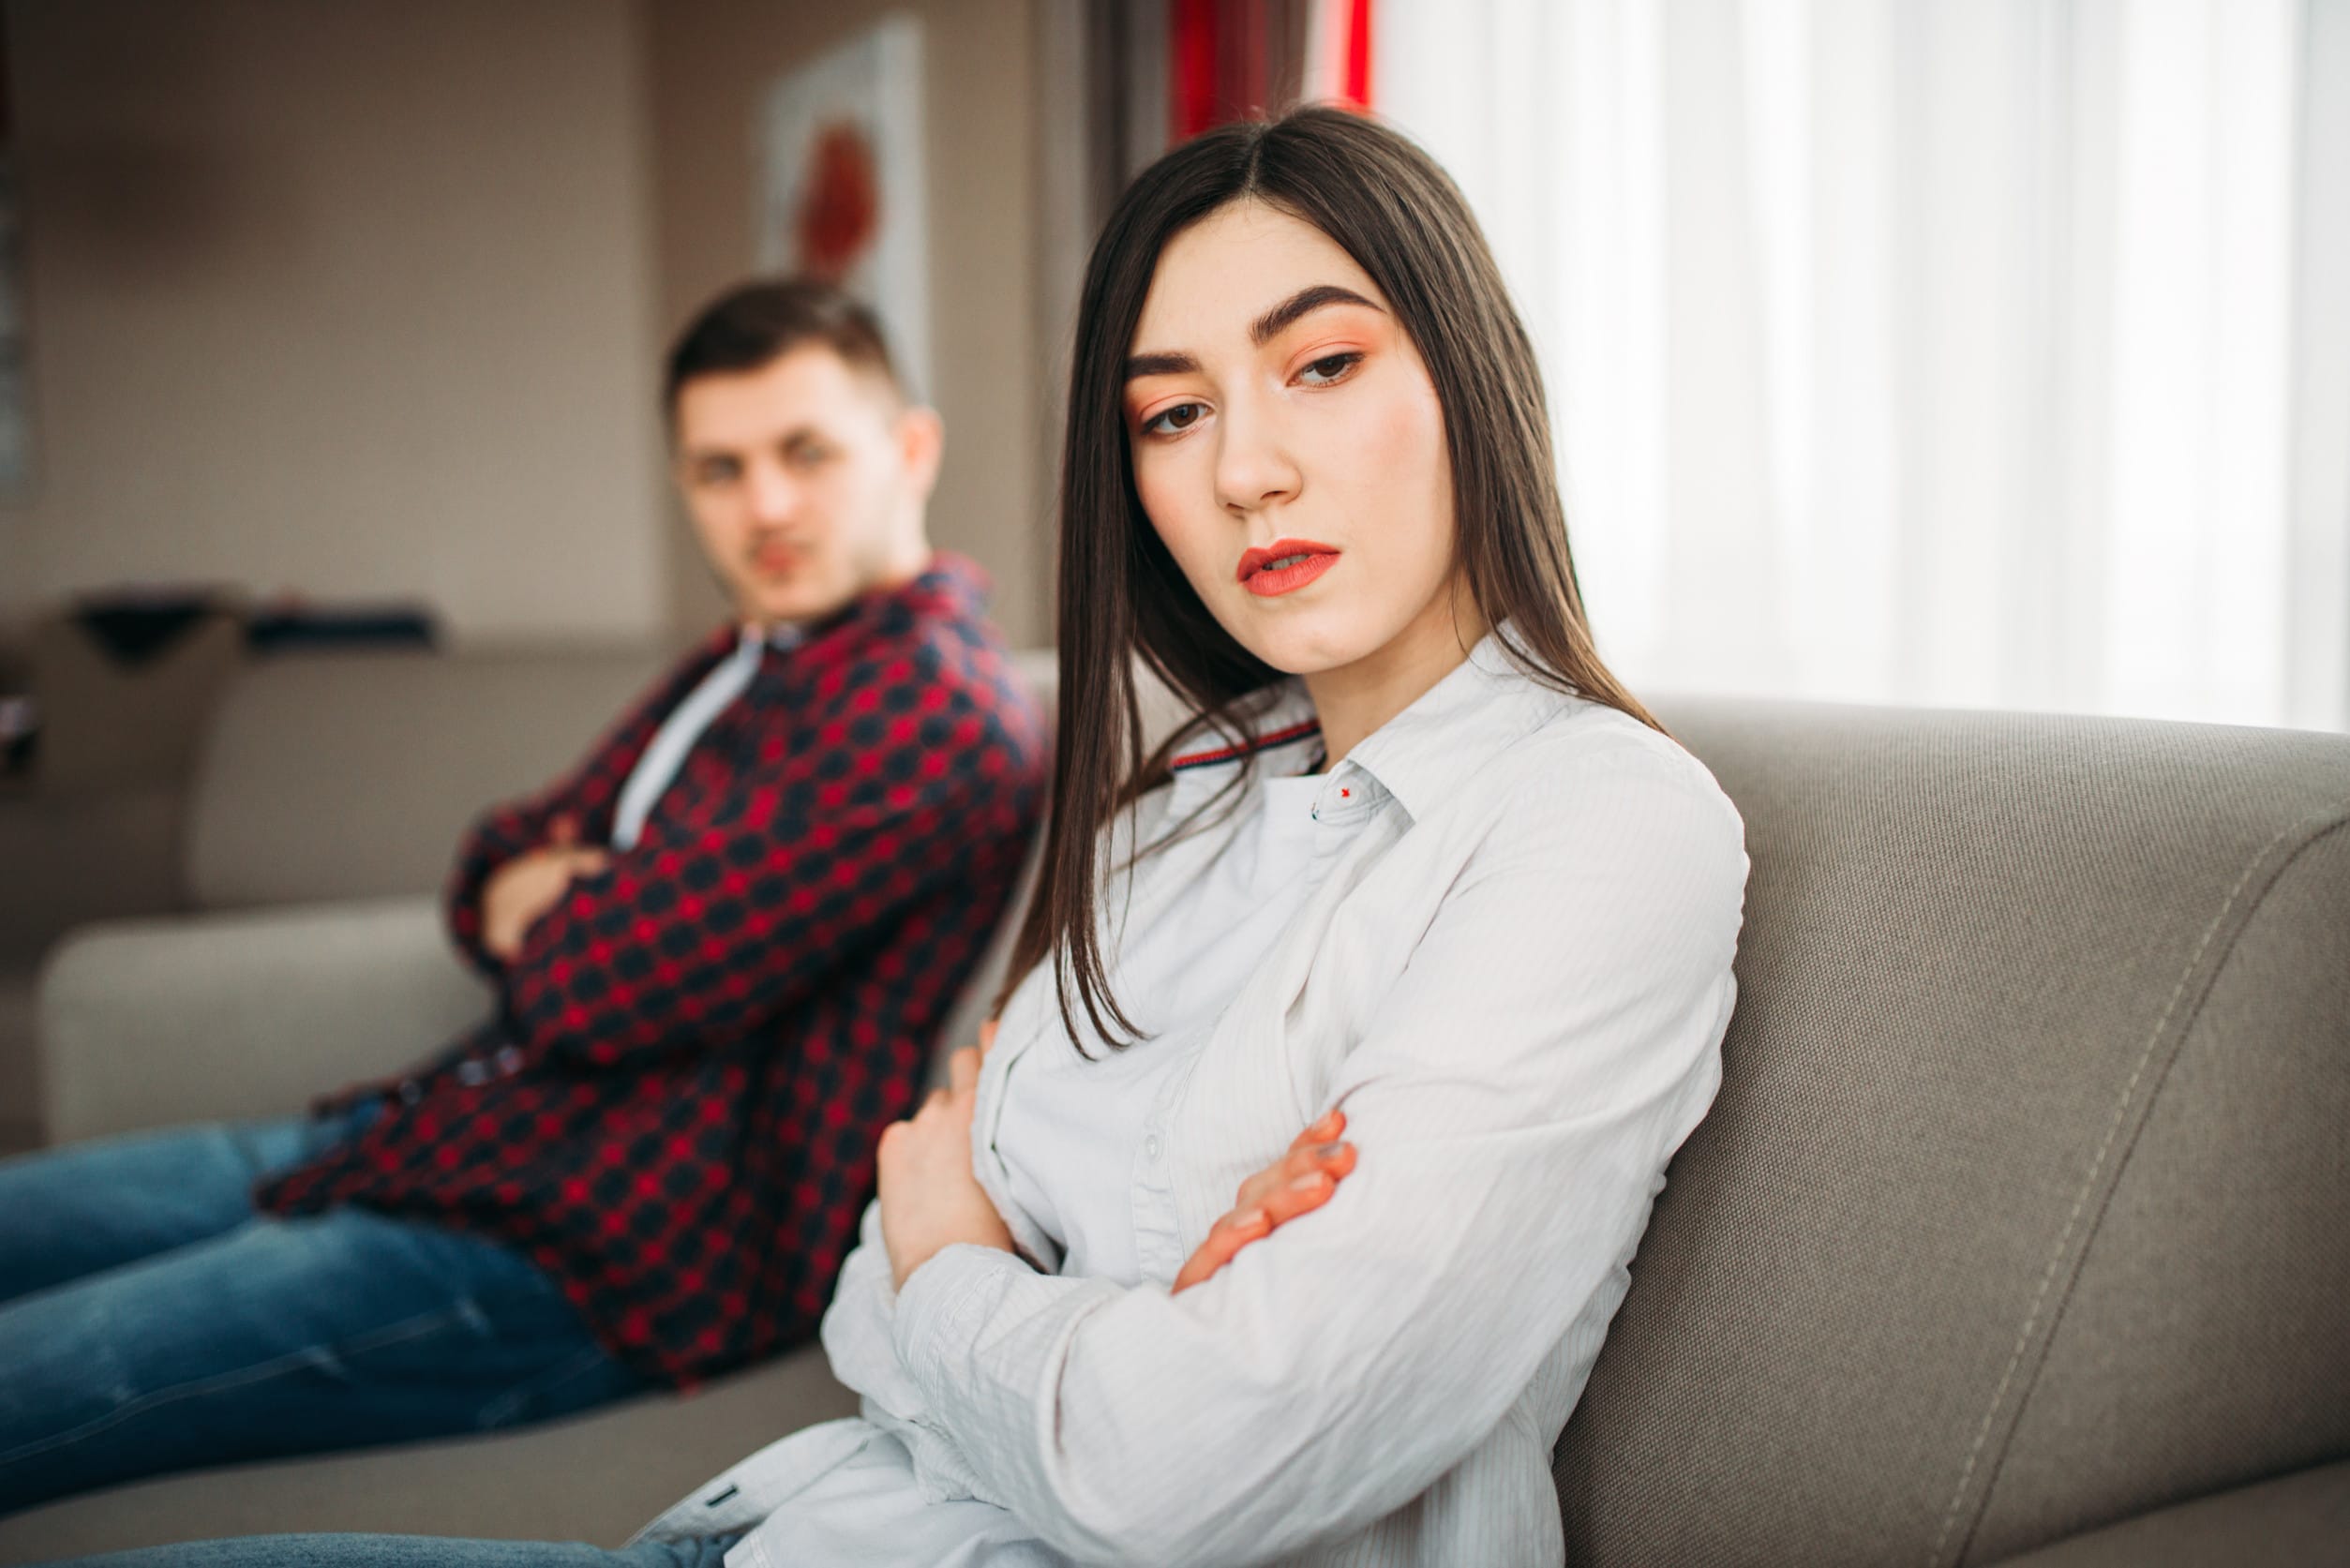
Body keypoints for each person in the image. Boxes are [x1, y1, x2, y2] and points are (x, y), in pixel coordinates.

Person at [52, 106, 1744, 1567]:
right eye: (1171, 412)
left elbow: (1174, 1461)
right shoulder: (1189, 792)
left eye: (1321, 364)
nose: (1246, 469)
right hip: (793, 1515)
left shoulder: (1602, 828)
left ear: (1472, 370)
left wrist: (975, 1255)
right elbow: (876, 1281)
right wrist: (1079, 1301)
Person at [0, 280, 1049, 1516]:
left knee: (34, 1377)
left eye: (804, 452)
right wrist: (548, 891)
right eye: (719, 469)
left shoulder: (928, 710)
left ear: (911, 449)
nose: (763, 504)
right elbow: (497, 850)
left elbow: (596, 991)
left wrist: (560, 904)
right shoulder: (752, 652)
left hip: (586, 1247)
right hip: (445, 1130)